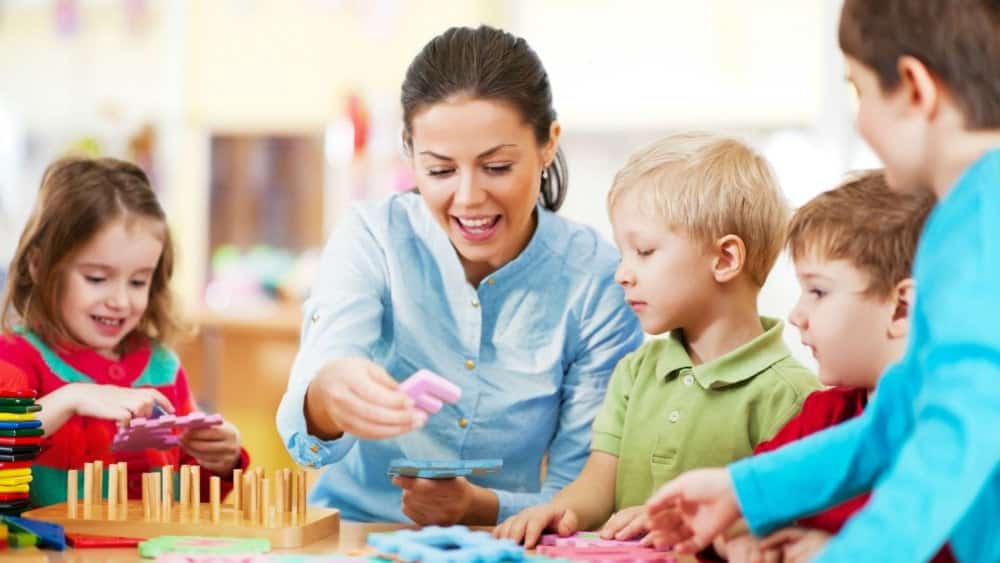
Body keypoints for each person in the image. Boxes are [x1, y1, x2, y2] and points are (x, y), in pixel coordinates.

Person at [645, 2, 1000, 561]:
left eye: (858, 91)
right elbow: (900, 419)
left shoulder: (983, 228)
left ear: (913, 88)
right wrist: (742, 489)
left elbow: (959, 441)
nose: (858, 120)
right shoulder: (961, 221)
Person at [275, 25, 643, 525]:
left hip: (504, 543)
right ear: (409, 151)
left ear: (547, 144)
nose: (468, 198)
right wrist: (327, 396)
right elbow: (303, 436)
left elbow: (580, 490)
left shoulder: (595, 279)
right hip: (354, 537)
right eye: (441, 171)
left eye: (496, 167)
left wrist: (481, 507)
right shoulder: (373, 237)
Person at [494, 133, 818, 547]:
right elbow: (599, 484)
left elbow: (778, 524)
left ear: (725, 259)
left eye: (644, 251)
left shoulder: (791, 397)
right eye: (623, 253)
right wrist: (560, 509)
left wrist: (677, 523)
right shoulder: (636, 372)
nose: (622, 273)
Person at [714, 171, 952, 562]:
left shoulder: (959, 430)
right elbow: (735, 502)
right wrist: (738, 538)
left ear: (902, 308)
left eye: (818, 292)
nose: (795, 315)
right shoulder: (821, 416)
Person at [0, 157, 248, 506]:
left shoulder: (163, 367)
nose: (120, 300)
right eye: (97, 278)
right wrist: (70, 399)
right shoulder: (15, 358)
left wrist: (221, 461)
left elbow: (193, 497)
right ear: (39, 265)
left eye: (137, 281)